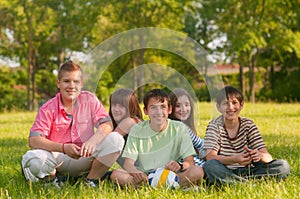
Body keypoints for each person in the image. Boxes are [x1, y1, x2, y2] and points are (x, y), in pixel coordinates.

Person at [21, 60, 124, 188]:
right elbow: (34, 140)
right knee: (33, 158)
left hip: (84, 156)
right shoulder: (48, 108)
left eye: (76, 81)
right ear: (58, 83)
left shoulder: (90, 99)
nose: (71, 86)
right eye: (66, 81)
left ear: (81, 84)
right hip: (57, 159)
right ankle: (52, 181)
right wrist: (64, 148)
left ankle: (90, 181)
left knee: (116, 139)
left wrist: (93, 141)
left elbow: (107, 124)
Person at [110, 89, 204, 188]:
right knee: (116, 174)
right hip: (145, 176)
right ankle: (166, 185)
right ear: (146, 111)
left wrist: (180, 166)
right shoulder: (137, 130)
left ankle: (161, 184)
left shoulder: (179, 128)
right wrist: (135, 172)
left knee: (198, 171)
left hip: (171, 174)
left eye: (163, 107)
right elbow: (128, 163)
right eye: (153, 107)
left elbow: (190, 162)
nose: (159, 112)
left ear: (169, 110)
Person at [203, 86, 290, 186]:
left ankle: (237, 183)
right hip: (225, 170)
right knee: (210, 166)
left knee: (283, 166)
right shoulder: (214, 126)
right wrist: (235, 159)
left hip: (249, 171)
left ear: (241, 105)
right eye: (225, 103)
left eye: (234, 102)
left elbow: (268, 157)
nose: (230, 107)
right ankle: (250, 184)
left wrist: (260, 155)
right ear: (218, 107)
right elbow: (210, 157)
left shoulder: (248, 124)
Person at [169, 88, 205, 166]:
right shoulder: (179, 127)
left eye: (186, 105)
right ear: (171, 108)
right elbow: (201, 145)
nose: (184, 109)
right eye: (178, 106)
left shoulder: (184, 126)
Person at [109, 88, 143, 166]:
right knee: (115, 174)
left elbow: (108, 143)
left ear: (130, 107)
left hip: (145, 167)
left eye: (121, 106)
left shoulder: (130, 121)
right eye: (114, 105)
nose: (116, 109)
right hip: (137, 168)